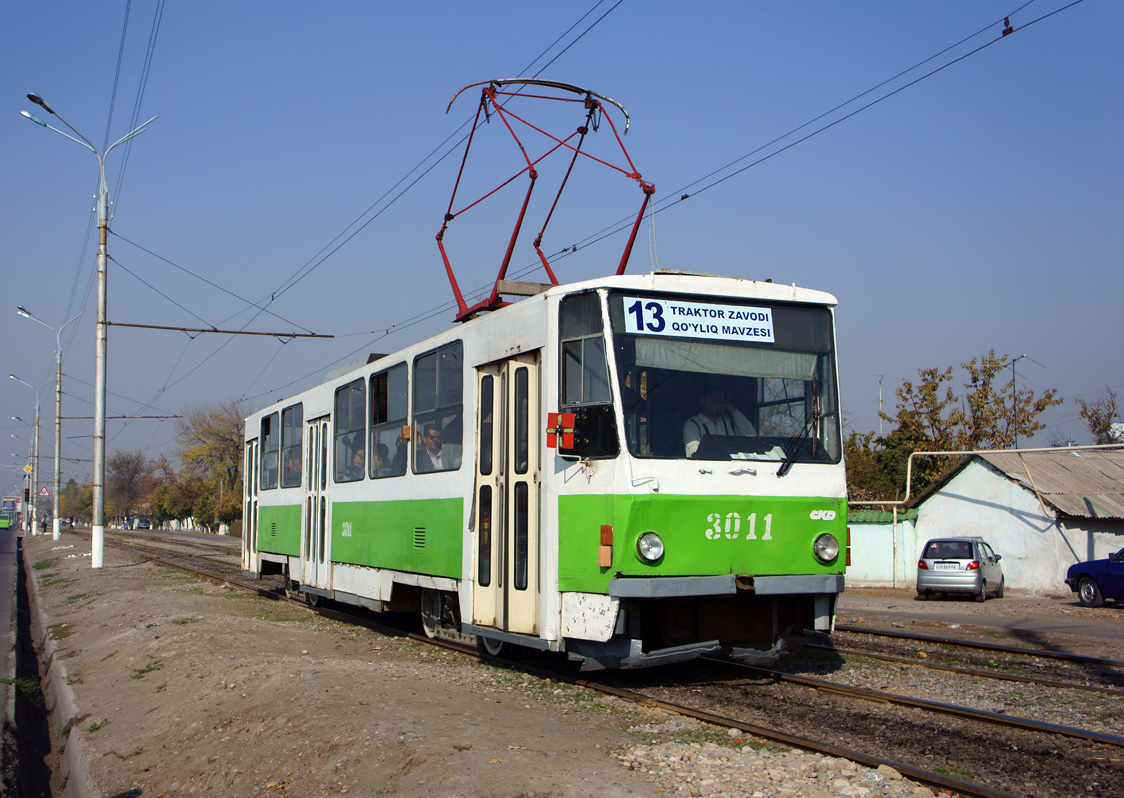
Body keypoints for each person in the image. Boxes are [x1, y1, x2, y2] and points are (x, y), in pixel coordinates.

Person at [683, 388, 757, 458]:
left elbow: (751, 436)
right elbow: (694, 452)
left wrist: (733, 411)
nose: (717, 403)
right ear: (702, 401)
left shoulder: (729, 422)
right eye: (712, 399)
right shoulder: (693, 424)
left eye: (720, 399)